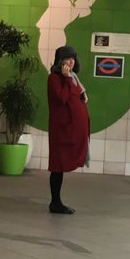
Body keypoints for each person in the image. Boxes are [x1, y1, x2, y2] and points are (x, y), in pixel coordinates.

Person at [46, 44, 89, 214]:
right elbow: (62, 98)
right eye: (66, 59)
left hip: (69, 129)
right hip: (60, 129)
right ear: (60, 61)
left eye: (72, 58)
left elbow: (76, 94)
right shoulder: (55, 79)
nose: (70, 62)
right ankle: (55, 202)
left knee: (61, 165)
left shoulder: (72, 77)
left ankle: (56, 202)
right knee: (57, 165)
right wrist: (65, 79)